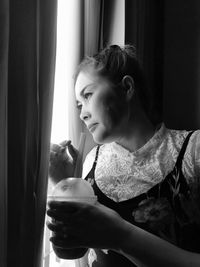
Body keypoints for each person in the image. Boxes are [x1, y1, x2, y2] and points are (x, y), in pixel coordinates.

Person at [47, 44, 200, 267]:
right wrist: (62, 185)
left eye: (88, 95)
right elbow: (80, 254)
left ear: (127, 87)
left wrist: (122, 237)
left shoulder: (192, 151)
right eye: (79, 104)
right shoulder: (91, 162)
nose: (82, 113)